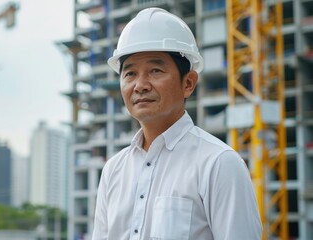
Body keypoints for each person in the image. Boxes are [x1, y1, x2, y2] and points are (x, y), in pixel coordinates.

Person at [91, 7, 262, 240]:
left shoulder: (219, 163)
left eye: (155, 70)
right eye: (130, 73)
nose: (140, 85)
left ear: (188, 83)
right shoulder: (113, 170)